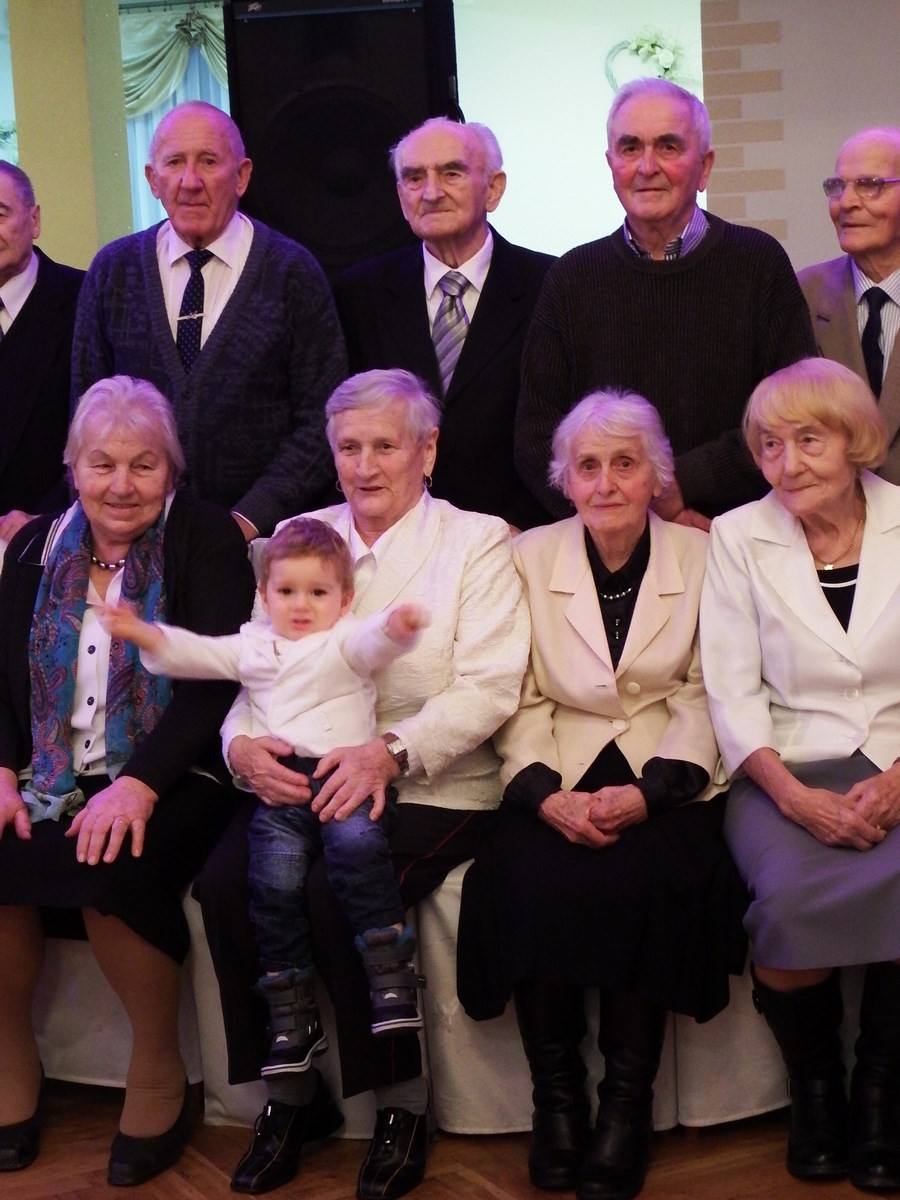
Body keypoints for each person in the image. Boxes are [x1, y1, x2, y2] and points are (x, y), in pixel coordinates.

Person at [192, 367, 530, 1198]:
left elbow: (490, 687)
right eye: (349, 447)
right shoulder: (299, 536)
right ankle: (290, 1097)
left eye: (386, 445)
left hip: (432, 780)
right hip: (305, 777)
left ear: (428, 450)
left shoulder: (477, 541)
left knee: (333, 890)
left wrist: (389, 751)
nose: (366, 465)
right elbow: (257, 672)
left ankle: (401, 1105)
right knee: (227, 882)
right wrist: (242, 750)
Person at [457, 390, 746, 1200]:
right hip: (556, 760)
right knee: (522, 877)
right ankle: (558, 1103)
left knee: (646, 880)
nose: (607, 482)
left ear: (657, 473)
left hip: (666, 765)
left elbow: (708, 688)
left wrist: (652, 794)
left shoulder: (705, 554)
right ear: (565, 478)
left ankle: (625, 1106)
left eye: (626, 463)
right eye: (588, 465)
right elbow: (514, 691)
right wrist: (546, 794)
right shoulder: (526, 556)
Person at [0, 375, 256, 1184]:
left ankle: (156, 1071)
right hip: (47, 771)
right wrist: (1, 772)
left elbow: (214, 681)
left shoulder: (204, 538)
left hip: (179, 771)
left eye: (143, 465)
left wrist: (139, 783)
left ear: (171, 469)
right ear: (72, 465)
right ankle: (9, 1063)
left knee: (111, 856)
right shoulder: (34, 546)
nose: (121, 484)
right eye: (102, 463)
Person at [102, 516, 431, 1078]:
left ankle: (389, 971)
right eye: (286, 591)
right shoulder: (252, 645)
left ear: (344, 599)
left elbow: (374, 642)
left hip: (342, 778)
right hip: (280, 790)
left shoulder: (344, 640)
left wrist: (398, 628)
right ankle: (290, 1008)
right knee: (272, 881)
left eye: (318, 593)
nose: (301, 605)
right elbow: (196, 653)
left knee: (357, 850)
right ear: (264, 592)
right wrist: (144, 634)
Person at [700, 357, 900, 1191]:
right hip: (782, 766)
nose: (787, 464)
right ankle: (816, 1093)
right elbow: (730, 689)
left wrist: (899, 781)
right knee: (783, 903)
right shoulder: (736, 536)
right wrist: (794, 798)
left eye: (809, 441)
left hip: (896, 758)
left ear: (856, 440)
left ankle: (882, 1094)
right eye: (770, 446)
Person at [515, 77, 816, 528]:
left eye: (668, 146)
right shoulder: (572, 277)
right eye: (630, 147)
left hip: (737, 534)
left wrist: (684, 487)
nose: (646, 166)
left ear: (705, 167)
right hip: (604, 543)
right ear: (611, 164)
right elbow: (536, 435)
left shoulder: (759, 263)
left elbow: (796, 414)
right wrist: (619, 522)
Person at [71, 101, 347, 539]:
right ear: (152, 179)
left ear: (242, 176)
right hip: (137, 544)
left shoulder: (292, 273)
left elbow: (324, 420)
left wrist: (247, 521)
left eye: (208, 162)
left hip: (265, 545)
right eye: (174, 163)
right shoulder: (112, 271)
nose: (190, 182)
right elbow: (85, 414)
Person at [333, 117, 555, 530]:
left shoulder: (551, 286)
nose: (431, 193)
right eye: (414, 177)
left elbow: (567, 428)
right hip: (394, 535)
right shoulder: (359, 294)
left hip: (521, 535)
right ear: (401, 196)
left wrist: (520, 525)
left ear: (493, 188)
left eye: (452, 173)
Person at [798, 126, 900, 482]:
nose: (847, 202)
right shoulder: (804, 294)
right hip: (834, 509)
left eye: (870, 185)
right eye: (837, 186)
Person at [0, 161, 84, 544]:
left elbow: (101, 433)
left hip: (57, 538)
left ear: (34, 220)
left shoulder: (84, 299)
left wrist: (49, 518)